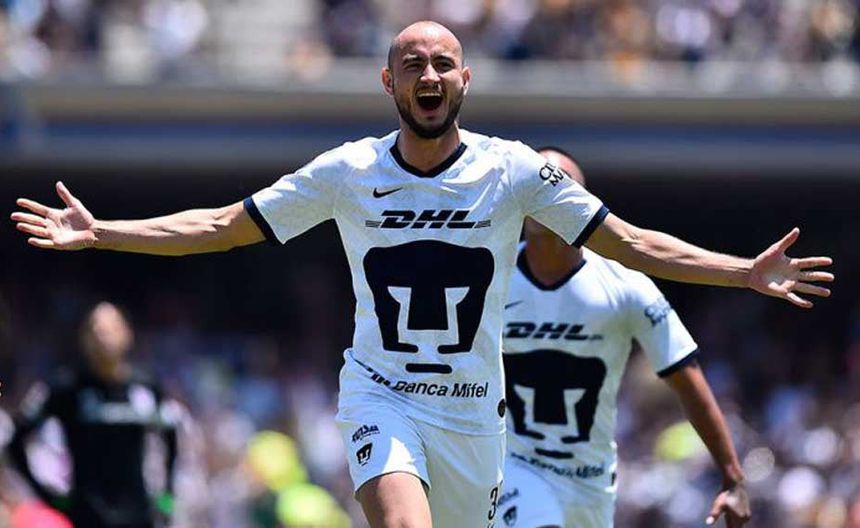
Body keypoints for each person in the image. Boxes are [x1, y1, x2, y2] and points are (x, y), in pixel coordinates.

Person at [10, 20, 832, 528]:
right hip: (384, 397)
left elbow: (630, 241)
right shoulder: (347, 172)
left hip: (476, 421)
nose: (429, 76)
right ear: (389, 81)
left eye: (443, 63)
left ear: (464, 79)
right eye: (413, 64)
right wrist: (104, 232)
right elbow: (223, 226)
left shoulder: (515, 171)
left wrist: (741, 272)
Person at [499, 147, 751, 528]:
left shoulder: (626, 286)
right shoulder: (489, 278)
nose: (542, 193)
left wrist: (733, 477)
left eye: (555, 184)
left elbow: (687, 380)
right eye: (533, 183)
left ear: (581, 204)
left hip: (591, 481)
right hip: (513, 468)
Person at [6, 302, 178, 528]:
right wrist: (49, 497)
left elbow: (171, 437)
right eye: (95, 330)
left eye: (110, 329)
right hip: (88, 517)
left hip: (138, 517)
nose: (102, 337)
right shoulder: (67, 388)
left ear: (127, 334)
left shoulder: (146, 387)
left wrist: (166, 498)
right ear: (84, 339)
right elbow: (16, 441)